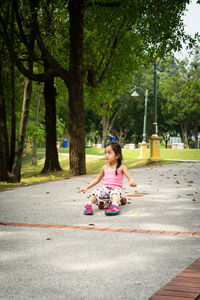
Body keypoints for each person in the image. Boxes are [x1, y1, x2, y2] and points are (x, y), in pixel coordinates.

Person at [78, 142, 137, 216]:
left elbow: (129, 177)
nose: (106, 155)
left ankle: (115, 206)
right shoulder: (104, 167)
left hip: (116, 188)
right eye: (105, 153)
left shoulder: (121, 167)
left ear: (117, 155)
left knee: (115, 193)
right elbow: (97, 179)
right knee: (96, 192)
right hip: (105, 189)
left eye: (109, 153)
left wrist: (131, 181)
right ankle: (88, 205)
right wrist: (86, 187)